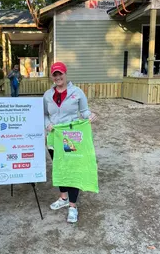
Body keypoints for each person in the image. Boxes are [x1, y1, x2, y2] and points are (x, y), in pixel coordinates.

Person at [43, 61, 97, 223]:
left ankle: (73, 206)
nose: (58, 77)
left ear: (65, 74)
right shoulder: (47, 95)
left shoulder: (77, 92)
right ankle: (63, 198)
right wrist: (47, 125)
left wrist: (90, 116)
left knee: (72, 168)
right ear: (52, 76)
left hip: (70, 138)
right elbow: (44, 114)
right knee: (59, 166)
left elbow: (84, 111)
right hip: (54, 137)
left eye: (60, 74)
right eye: (55, 74)